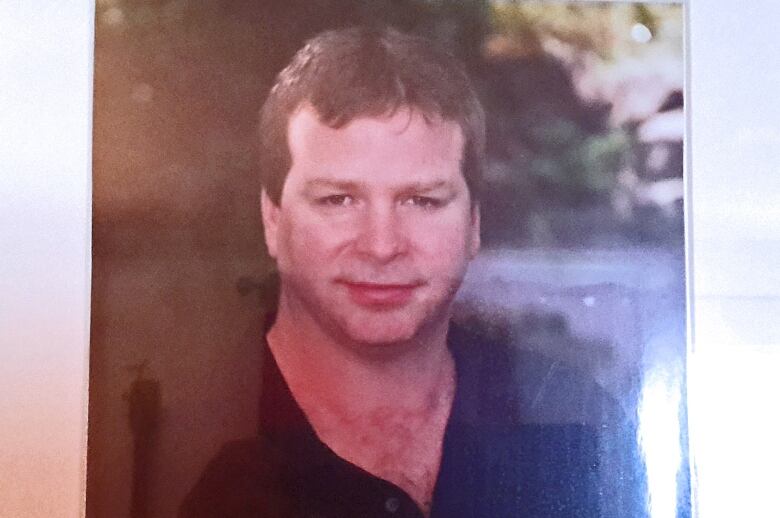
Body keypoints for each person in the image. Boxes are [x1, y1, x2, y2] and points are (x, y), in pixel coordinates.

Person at [180, 26, 645, 518]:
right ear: (272, 219)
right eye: (338, 199)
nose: (382, 246)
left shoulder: (574, 423)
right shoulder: (175, 434)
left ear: (474, 224)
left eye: (421, 200)